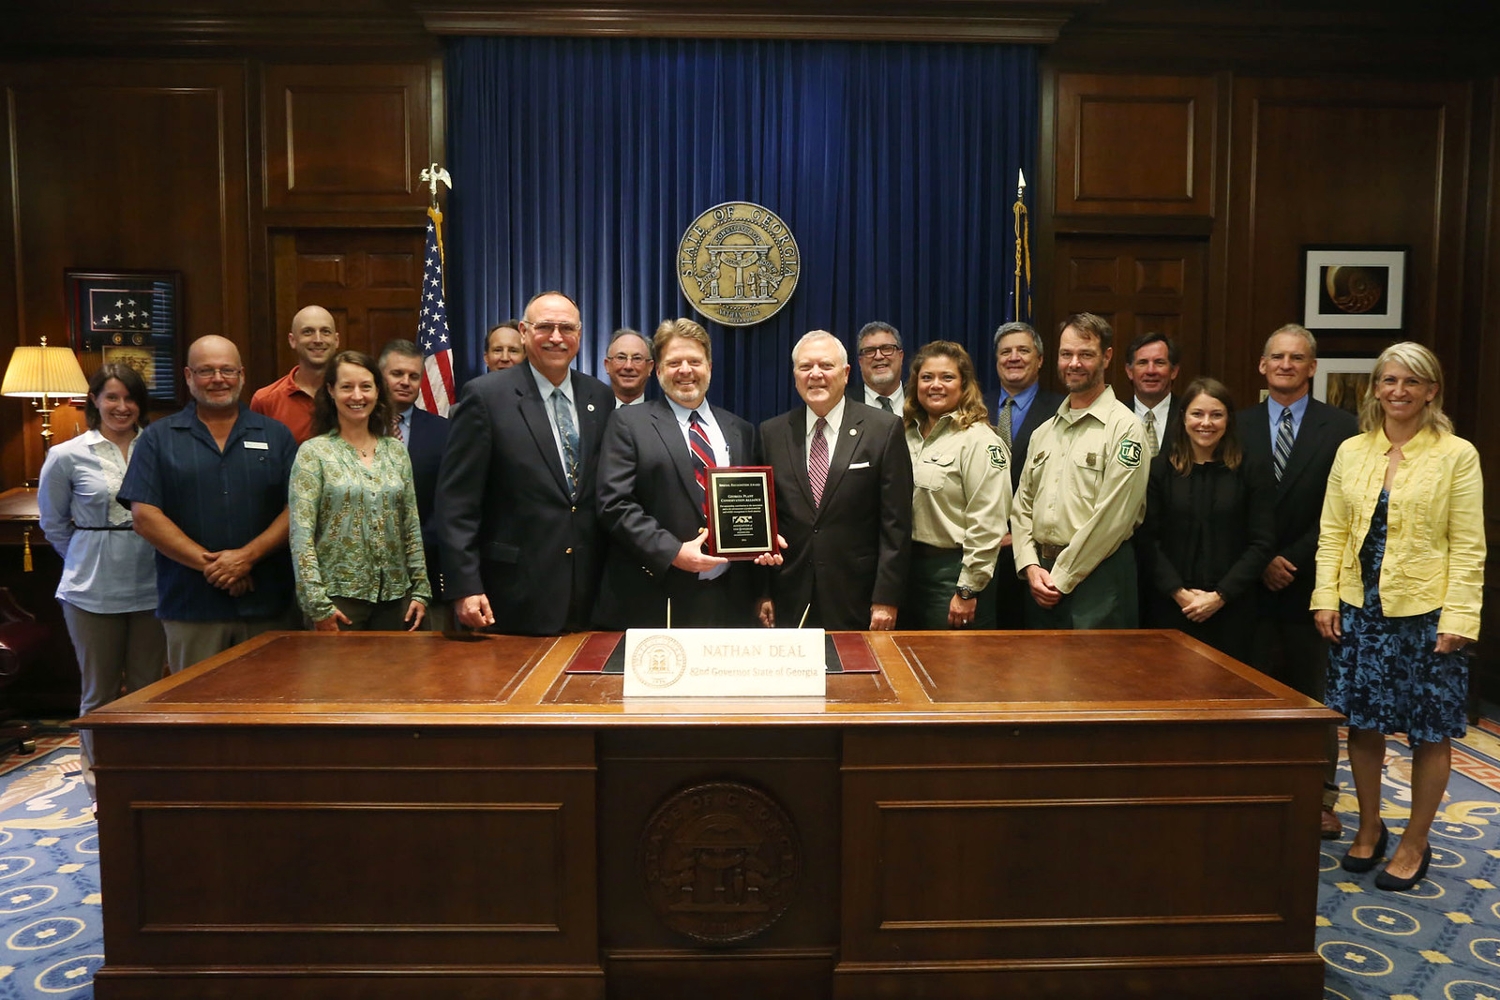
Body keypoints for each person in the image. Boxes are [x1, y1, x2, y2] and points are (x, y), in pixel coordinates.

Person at [1314, 342, 1484, 892]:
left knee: (1428, 732)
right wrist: (1324, 596)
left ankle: (1415, 840)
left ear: (1431, 390)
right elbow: (1332, 532)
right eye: (1389, 380)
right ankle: (1370, 826)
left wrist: (1460, 615)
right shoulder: (1351, 451)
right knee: (1362, 724)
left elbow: (1468, 544)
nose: (1399, 391)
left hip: (1427, 614)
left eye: (1412, 382)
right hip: (1359, 608)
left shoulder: (1457, 454)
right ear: (1375, 388)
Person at [1240, 323, 1358, 839]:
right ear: (1262, 366)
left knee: (1313, 696)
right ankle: (1248, 786)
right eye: (1277, 357)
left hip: (1312, 580)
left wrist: (1289, 557)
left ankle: (1320, 796)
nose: (1286, 365)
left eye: (1297, 357)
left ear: (1312, 367)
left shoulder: (1344, 428)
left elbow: (1343, 510)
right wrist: (1260, 558)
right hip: (1246, 582)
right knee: (1245, 691)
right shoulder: (1234, 424)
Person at [437, 292, 614, 635]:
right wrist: (465, 586)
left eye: (567, 328)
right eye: (545, 327)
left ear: (580, 334)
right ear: (523, 331)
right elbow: (457, 502)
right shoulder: (486, 397)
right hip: (513, 591)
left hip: (589, 591)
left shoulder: (599, 396)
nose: (556, 337)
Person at [118, 336, 298, 672]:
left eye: (227, 370)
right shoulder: (158, 437)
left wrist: (246, 557)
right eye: (206, 371)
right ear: (188, 376)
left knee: (269, 708)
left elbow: (297, 511)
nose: (218, 379)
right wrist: (215, 567)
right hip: (190, 605)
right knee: (196, 713)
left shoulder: (276, 435)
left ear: (242, 374)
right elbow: (145, 516)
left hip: (267, 604)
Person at [36, 363, 165, 801]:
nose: (122, 407)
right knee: (100, 692)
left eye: (130, 399)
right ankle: (101, 788)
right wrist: (88, 554)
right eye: (112, 397)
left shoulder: (158, 445)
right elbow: (54, 524)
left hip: (153, 580)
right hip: (91, 587)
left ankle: (146, 778)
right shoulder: (68, 454)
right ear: (95, 400)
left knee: (149, 688)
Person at [595, 318, 766, 628]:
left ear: (709, 367)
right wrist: (672, 551)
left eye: (694, 361)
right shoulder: (628, 424)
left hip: (730, 599)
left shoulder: (740, 430)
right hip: (656, 594)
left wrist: (761, 537)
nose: (685, 370)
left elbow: (751, 504)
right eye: (674, 362)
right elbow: (614, 504)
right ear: (658, 370)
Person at [757, 331, 912, 630]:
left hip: (859, 596)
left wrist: (886, 597)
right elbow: (767, 522)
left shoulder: (884, 429)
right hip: (789, 596)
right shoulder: (771, 433)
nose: (815, 375)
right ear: (794, 375)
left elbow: (897, 525)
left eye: (825, 366)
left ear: (845, 373)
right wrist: (764, 592)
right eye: (805, 367)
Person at [1011, 312, 1149, 629]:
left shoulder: (1125, 428)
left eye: (1085, 354)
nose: (1074, 363)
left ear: (1106, 357)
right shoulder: (1043, 432)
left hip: (1099, 578)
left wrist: (1061, 577)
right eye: (1066, 354)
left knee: (1097, 678)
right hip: (1041, 578)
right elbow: (1021, 508)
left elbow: (1114, 517)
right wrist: (1031, 566)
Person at [289, 350, 430, 631]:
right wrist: (318, 605)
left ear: (378, 391)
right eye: (346, 387)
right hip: (337, 603)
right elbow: (301, 536)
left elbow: (410, 525)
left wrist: (421, 590)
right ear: (330, 391)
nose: (357, 396)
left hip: (395, 599)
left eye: (366, 386)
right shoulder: (314, 453)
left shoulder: (395, 451)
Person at [1140, 377, 1275, 662]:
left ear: (1228, 420)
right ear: (1183, 418)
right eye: (1197, 414)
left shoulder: (1251, 469)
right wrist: (1180, 594)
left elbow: (1262, 542)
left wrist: (1219, 596)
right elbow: (1146, 540)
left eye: (1216, 415)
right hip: (1171, 608)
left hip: (1233, 610)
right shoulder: (1159, 470)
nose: (1206, 423)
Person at [899, 342, 1009, 629]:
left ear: (964, 385)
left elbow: (988, 521)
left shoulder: (979, 440)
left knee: (954, 669)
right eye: (927, 377)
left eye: (947, 377)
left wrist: (968, 588)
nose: (936, 385)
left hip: (954, 575)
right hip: (907, 572)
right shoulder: (903, 434)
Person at [987, 321, 1064, 628]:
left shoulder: (1062, 410)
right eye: (1006, 352)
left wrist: (1018, 535)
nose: (1013, 357)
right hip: (979, 551)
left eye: (1023, 350)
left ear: (1041, 359)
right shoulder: (971, 405)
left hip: (1036, 558)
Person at [379, 340, 450, 626]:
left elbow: (447, 500)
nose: (405, 382)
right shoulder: (358, 428)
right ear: (380, 375)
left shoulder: (443, 431)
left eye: (413, 376)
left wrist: (414, 545)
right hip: (367, 573)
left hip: (426, 565)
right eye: (397, 374)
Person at [250, 305, 340, 443]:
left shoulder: (354, 396)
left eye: (325, 332)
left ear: (336, 340)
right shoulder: (265, 400)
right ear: (292, 340)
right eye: (308, 332)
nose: (317, 339)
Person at [1125, 331, 1182, 459]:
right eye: (1143, 363)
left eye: (1159, 362)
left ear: (1173, 371)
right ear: (1129, 371)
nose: (1151, 371)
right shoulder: (1114, 416)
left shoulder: (1189, 416)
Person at [856, 321, 905, 415]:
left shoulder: (920, 400)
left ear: (901, 356)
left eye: (887, 348)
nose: (878, 356)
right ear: (860, 361)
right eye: (869, 351)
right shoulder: (843, 404)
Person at [603, 328, 654, 407]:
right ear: (607, 365)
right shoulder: (593, 414)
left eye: (637, 358)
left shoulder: (665, 416)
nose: (628, 366)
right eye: (621, 358)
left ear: (650, 367)